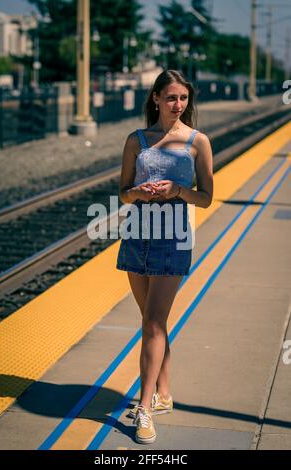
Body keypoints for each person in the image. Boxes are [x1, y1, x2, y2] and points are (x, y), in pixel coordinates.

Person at [116, 69, 213, 444]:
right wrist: (138, 192)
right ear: (155, 98)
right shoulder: (135, 141)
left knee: (154, 323)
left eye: (184, 99)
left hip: (173, 239)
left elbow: (205, 197)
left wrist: (178, 189)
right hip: (137, 236)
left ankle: (144, 409)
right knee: (151, 320)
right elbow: (122, 193)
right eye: (171, 98)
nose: (178, 105)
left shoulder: (197, 142)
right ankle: (165, 393)